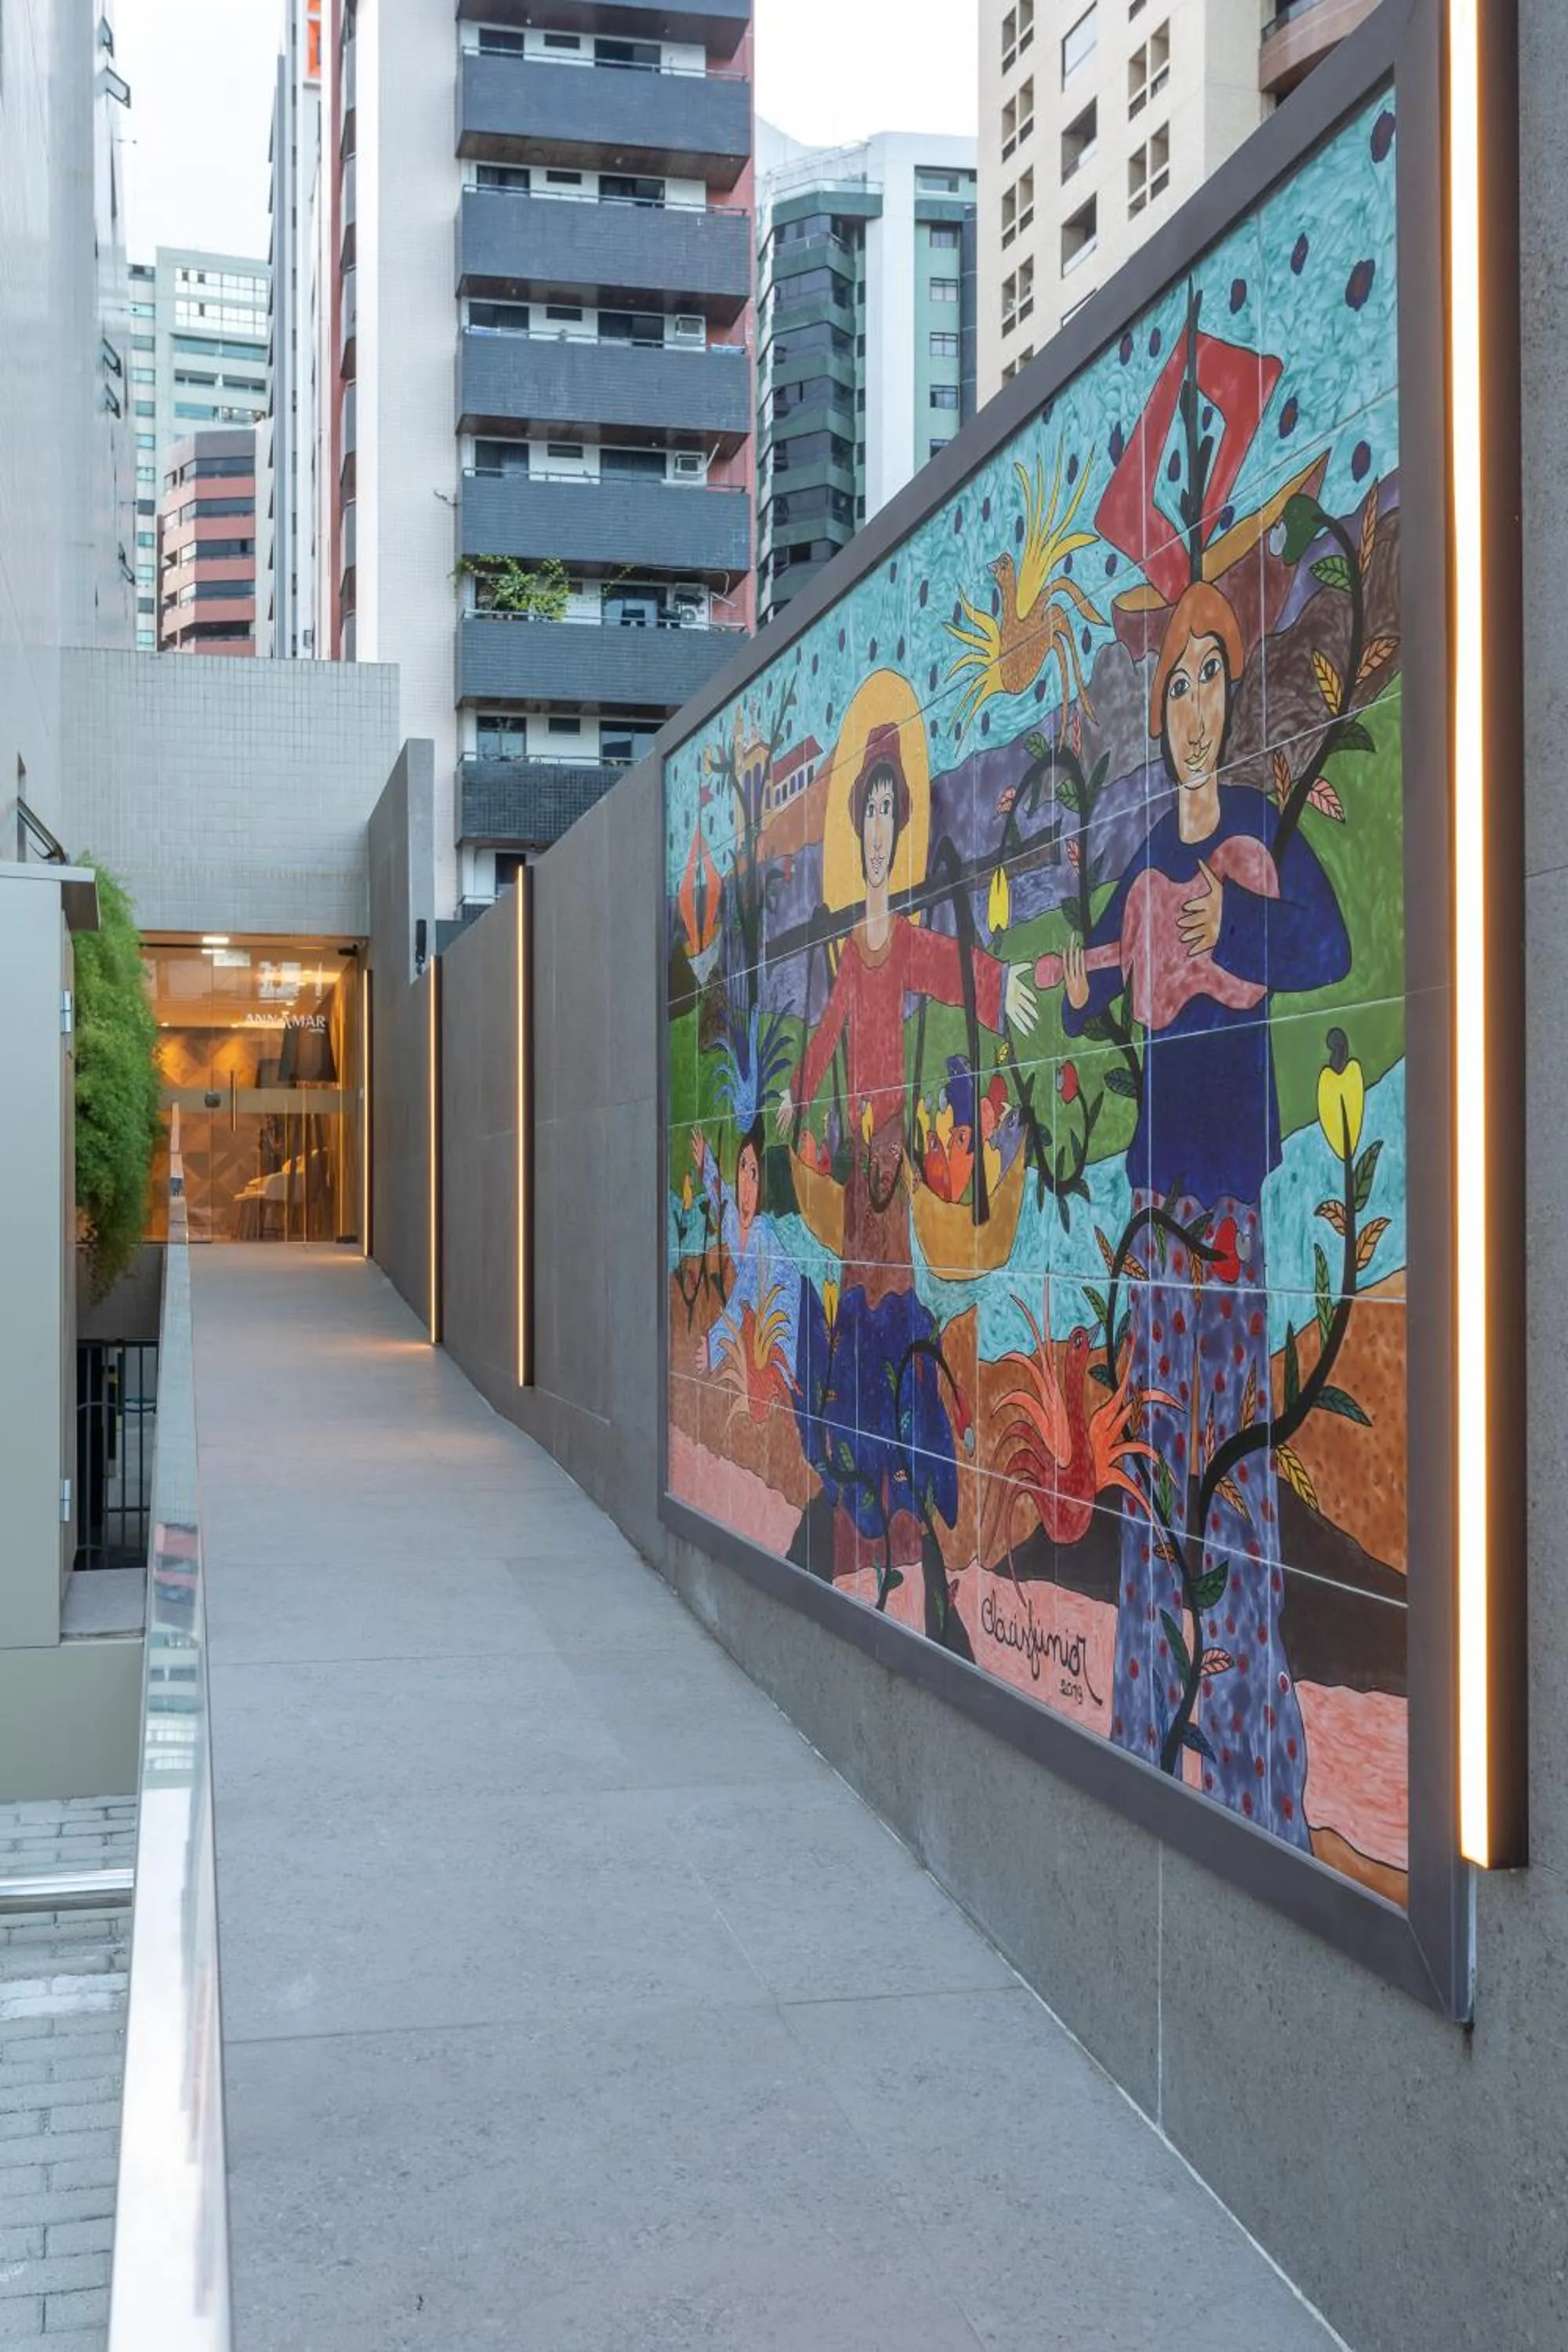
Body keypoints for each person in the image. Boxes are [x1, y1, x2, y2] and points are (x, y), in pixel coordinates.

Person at [1056, 579, 1351, 1845]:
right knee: (1151, 1470)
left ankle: (1250, 1768)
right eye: (1176, 682)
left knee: (1229, 1483)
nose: (1190, 706)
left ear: (1235, 701)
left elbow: (1329, 950)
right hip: (1149, 1207)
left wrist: (1242, 916)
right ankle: (1148, 1725)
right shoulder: (1148, 847)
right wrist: (1072, 987)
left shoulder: (1255, 828)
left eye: (1210, 679)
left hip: (1230, 1202)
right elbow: (1105, 990)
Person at [773, 722, 1039, 1595]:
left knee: (892, 1315)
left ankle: (905, 1506)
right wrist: (793, 1099)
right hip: (857, 1171)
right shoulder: (851, 950)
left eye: (891, 808)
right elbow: (823, 1039)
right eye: (871, 811)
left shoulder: (909, 940)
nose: (881, 826)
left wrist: (1004, 990)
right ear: (858, 832)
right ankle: (863, 1512)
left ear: (902, 822)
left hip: (892, 1160)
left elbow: (955, 966)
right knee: (859, 1312)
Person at [691, 1115, 798, 1392]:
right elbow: (723, 1200)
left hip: (784, 1326)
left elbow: (743, 1295)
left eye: (755, 1173)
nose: (747, 1188)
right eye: (743, 1167)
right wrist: (707, 1165)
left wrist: (714, 1346)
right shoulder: (738, 1223)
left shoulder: (761, 1233)